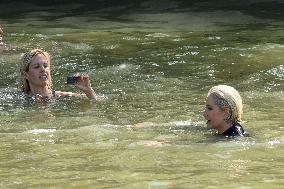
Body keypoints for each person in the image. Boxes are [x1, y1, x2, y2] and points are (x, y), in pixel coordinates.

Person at [19, 48, 102, 103]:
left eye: (45, 66)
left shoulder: (63, 97)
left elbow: (97, 104)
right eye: (37, 67)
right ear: (26, 74)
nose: (43, 69)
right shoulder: (19, 100)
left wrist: (88, 91)